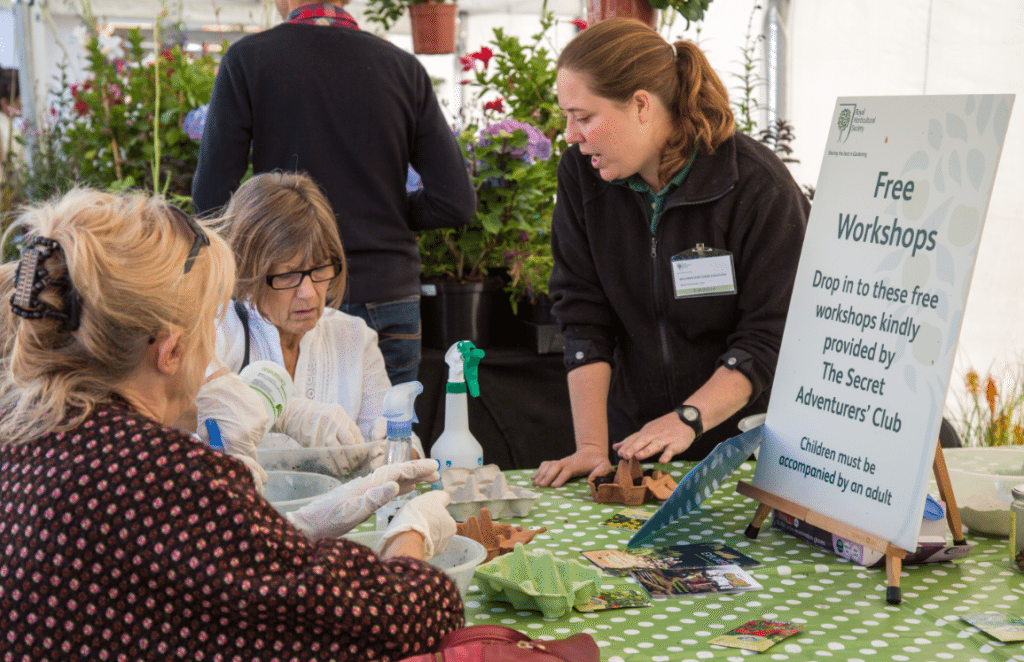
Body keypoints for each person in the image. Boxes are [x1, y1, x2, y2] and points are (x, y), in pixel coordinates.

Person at [0, 188, 462, 659]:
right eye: (208, 326)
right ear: (172, 351)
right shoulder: (165, 473)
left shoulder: (28, 437)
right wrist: (411, 532)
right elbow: (401, 617)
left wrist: (300, 528)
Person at [533, 19, 810, 488]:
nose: (570, 135)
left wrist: (686, 419)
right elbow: (582, 315)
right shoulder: (582, 176)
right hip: (638, 445)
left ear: (641, 105)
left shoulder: (757, 186)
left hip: (747, 453)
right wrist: (591, 448)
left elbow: (770, 336)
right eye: (566, 117)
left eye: (583, 117)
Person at [191, 0, 476, 385]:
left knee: (280, 433)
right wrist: (385, 214)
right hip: (385, 288)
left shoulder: (249, 60)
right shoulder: (402, 68)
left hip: (285, 290)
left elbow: (212, 202)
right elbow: (455, 202)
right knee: (388, 438)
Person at [204, 171, 425, 478]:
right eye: (287, 275)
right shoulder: (216, 331)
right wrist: (287, 412)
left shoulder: (353, 338)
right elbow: (193, 421)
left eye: (320, 269)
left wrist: (391, 452)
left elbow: (401, 438)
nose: (308, 293)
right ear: (248, 271)